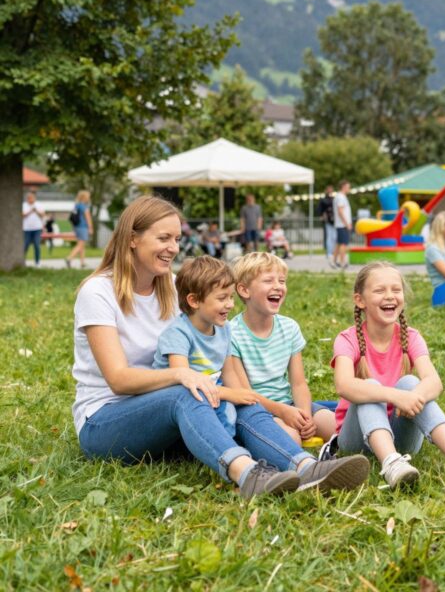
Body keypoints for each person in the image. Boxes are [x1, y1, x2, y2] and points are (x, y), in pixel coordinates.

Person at [72, 195, 369, 500]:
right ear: (132, 239)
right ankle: (248, 474)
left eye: (176, 238)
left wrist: (246, 395)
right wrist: (183, 376)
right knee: (190, 391)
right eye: (163, 238)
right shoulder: (98, 292)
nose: (173, 248)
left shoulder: (174, 289)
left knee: (235, 398)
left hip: (165, 416)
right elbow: (118, 379)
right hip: (105, 422)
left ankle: (307, 467)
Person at [331, 262, 445, 488]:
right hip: (356, 442)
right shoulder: (347, 339)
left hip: (401, 438)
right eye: (379, 290)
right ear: (360, 300)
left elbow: (434, 383)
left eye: (396, 290)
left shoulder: (411, 336)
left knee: (411, 382)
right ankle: (391, 464)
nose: (390, 296)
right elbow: (344, 385)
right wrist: (394, 396)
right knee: (370, 387)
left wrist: (411, 395)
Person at [225, 253, 337, 445]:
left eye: (282, 281)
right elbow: (245, 393)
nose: (278, 286)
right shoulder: (232, 333)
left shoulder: (289, 327)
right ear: (244, 290)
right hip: (257, 409)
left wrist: (305, 415)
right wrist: (283, 412)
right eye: (268, 280)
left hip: (289, 404)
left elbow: (299, 384)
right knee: (291, 438)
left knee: (335, 425)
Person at [152, 256, 249, 436]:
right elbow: (183, 381)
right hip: (183, 397)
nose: (230, 304)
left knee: (237, 413)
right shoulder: (178, 334)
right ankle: (224, 452)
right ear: (194, 301)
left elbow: (228, 373)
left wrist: (240, 395)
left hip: (213, 388)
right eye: (222, 298)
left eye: (231, 297)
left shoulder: (224, 328)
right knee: (220, 413)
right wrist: (230, 394)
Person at [66, 190, 93, 268]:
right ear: (85, 197)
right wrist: (90, 228)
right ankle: (69, 258)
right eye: (88, 197)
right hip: (83, 227)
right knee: (80, 245)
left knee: (82, 245)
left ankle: (82, 263)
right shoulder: (84, 206)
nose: (89, 198)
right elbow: (88, 217)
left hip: (77, 227)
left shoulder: (76, 205)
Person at [332, 180, 352, 270]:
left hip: (341, 224)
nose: (349, 189)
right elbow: (340, 211)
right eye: (348, 187)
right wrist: (346, 223)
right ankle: (342, 262)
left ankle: (334, 261)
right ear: (344, 187)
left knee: (339, 243)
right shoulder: (341, 197)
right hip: (342, 225)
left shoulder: (340, 196)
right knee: (343, 243)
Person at [23, 189, 45, 266]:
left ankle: (37, 262)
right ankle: (22, 261)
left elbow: (43, 215)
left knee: (36, 245)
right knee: (25, 245)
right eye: (29, 198)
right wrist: (30, 211)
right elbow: (22, 215)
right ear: (27, 198)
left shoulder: (39, 205)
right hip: (26, 229)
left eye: (32, 198)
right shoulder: (24, 205)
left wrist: (36, 211)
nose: (31, 199)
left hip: (37, 228)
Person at [318, 184, 336, 265]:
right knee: (329, 236)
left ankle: (333, 252)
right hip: (328, 220)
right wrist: (322, 215)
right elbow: (320, 209)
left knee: (334, 237)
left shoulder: (334, 198)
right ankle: (329, 253)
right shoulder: (324, 199)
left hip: (335, 220)